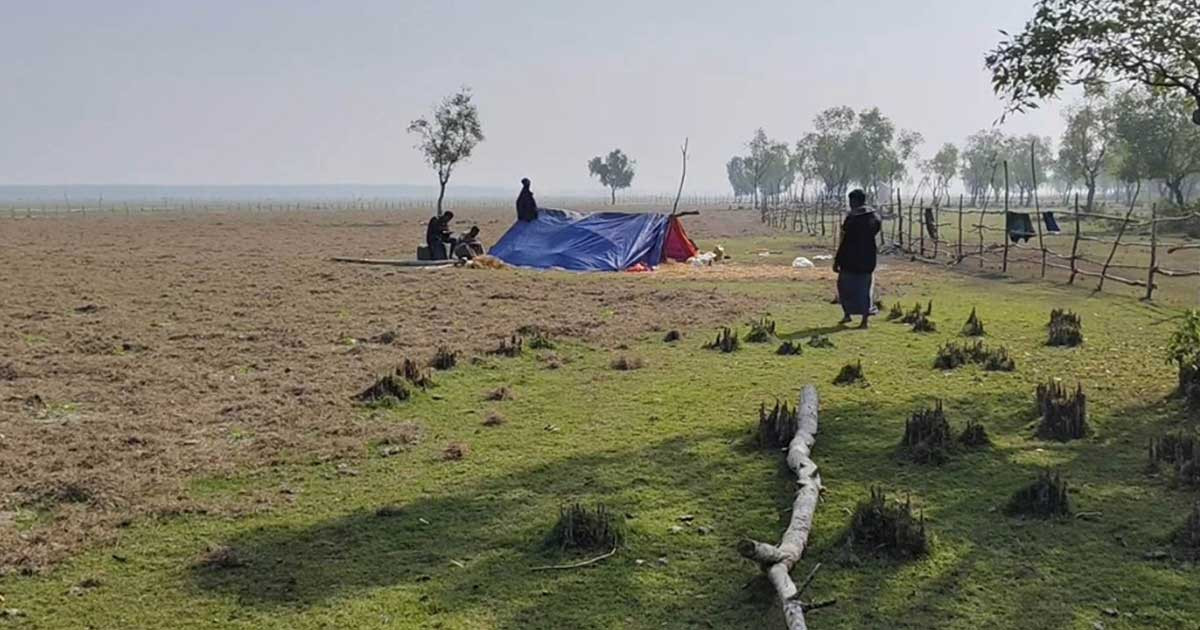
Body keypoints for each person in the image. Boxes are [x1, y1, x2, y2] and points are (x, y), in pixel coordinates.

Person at [833, 189, 882, 329]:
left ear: (855, 201)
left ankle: (852, 315)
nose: (850, 204)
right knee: (863, 289)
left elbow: (845, 240)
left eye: (851, 201)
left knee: (846, 288)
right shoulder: (874, 217)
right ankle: (860, 318)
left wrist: (837, 260)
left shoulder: (852, 218)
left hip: (850, 258)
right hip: (867, 258)